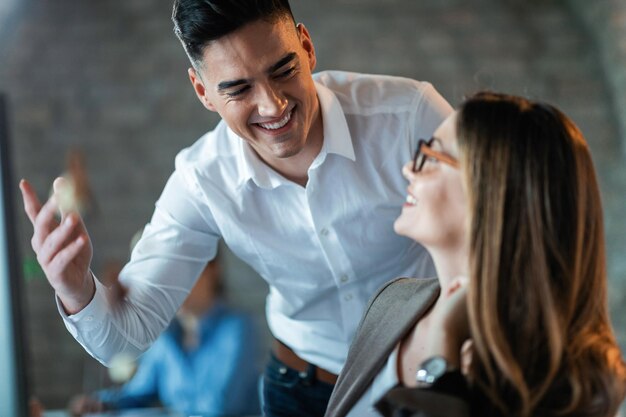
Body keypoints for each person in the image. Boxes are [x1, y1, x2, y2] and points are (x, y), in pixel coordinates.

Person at [18, 0, 452, 415]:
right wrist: (76, 291)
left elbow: (499, 242)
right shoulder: (202, 180)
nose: (273, 105)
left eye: (283, 71)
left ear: (306, 45)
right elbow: (126, 335)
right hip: (302, 393)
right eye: (239, 89)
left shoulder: (410, 116)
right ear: (203, 91)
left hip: (428, 376)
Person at [324, 92, 626, 417]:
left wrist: (443, 351)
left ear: (493, 192)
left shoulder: (562, 381)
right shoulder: (392, 301)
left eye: (432, 156)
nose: (410, 168)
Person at [67, 256, 261, 417]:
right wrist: (101, 403)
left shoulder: (238, 328)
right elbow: (139, 392)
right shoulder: (166, 335)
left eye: (184, 272)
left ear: (212, 271)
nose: (173, 284)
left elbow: (218, 408)